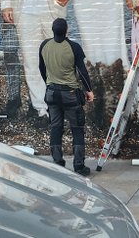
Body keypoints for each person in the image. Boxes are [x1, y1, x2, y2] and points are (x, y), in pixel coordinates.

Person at [39, 18, 94, 176]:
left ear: (52, 29)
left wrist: (49, 83)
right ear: (67, 29)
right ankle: (79, 166)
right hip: (70, 94)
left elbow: (41, 68)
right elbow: (82, 71)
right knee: (77, 129)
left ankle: (58, 164)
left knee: (55, 128)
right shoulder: (74, 47)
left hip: (51, 93)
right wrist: (89, 90)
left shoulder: (44, 45)